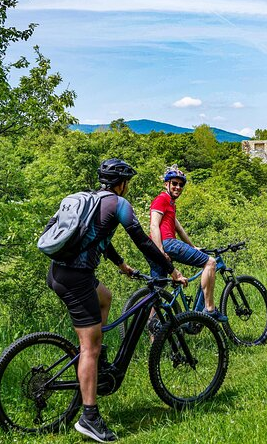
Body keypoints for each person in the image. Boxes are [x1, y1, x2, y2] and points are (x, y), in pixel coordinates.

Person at [45, 158, 186, 443]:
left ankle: (96, 361)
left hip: (58, 272)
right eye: (127, 183)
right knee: (89, 347)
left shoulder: (93, 201)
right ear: (121, 183)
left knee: (105, 297)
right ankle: (89, 417)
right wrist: (171, 269)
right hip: (77, 278)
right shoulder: (119, 205)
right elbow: (144, 242)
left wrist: (121, 265)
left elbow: (99, 239)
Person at [147, 165, 227, 322]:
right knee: (210, 263)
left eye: (181, 184)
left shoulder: (170, 204)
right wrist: (161, 250)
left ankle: (154, 335)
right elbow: (153, 225)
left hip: (154, 249)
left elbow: (179, 228)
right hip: (166, 244)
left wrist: (192, 246)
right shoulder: (161, 199)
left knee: (158, 292)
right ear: (166, 184)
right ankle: (210, 308)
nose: (178, 187)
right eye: (174, 183)